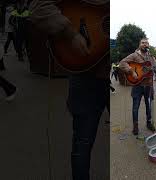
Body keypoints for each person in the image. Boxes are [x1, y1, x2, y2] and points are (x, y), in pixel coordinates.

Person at [25, 0, 109, 180]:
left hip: (115, 77)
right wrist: (70, 33)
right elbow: (38, 7)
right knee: (83, 142)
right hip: (86, 74)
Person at [119, 38, 156, 135]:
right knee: (135, 107)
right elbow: (122, 63)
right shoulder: (134, 55)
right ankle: (135, 126)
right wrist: (131, 71)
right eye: (143, 43)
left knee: (149, 106)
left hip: (148, 85)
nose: (145, 44)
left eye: (146, 43)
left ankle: (149, 123)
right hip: (137, 85)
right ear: (139, 45)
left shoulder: (151, 57)